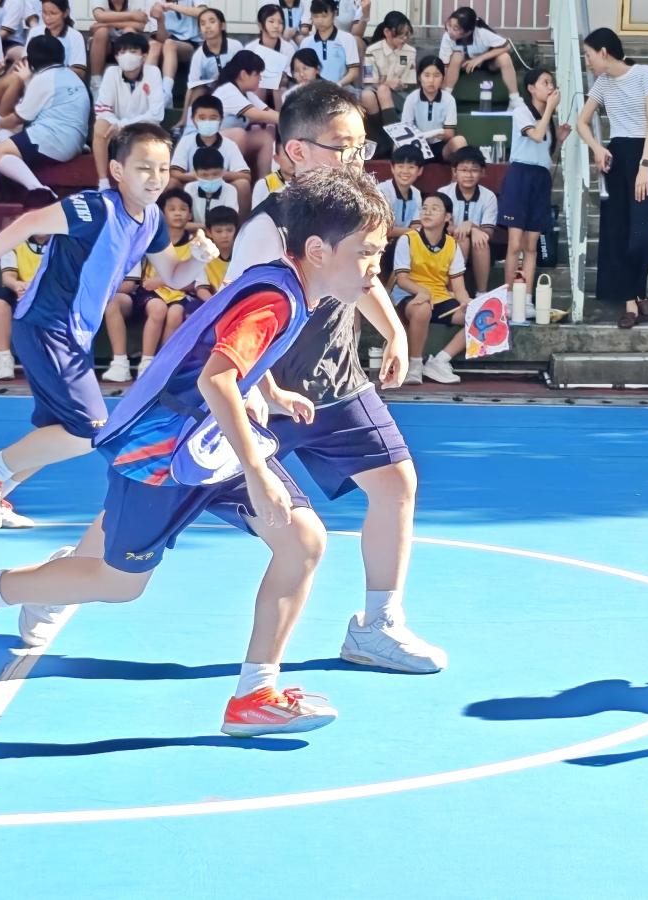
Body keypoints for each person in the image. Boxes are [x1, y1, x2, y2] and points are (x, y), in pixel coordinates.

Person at [0, 166, 391, 739]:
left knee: (302, 542)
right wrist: (258, 471)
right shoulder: (275, 300)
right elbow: (215, 379)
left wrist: (271, 391)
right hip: (162, 454)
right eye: (367, 253)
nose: (375, 267)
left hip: (208, 445)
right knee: (118, 583)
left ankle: (254, 694)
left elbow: (225, 349)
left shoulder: (288, 287)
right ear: (319, 251)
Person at [223, 81, 444, 674]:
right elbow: (234, 318)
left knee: (396, 483)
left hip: (337, 382)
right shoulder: (268, 229)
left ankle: (378, 625)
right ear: (297, 152)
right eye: (342, 148)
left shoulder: (350, 208)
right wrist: (257, 390)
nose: (356, 160)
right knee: (151, 518)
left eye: (360, 147)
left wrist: (394, 332)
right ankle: (68, 577)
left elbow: (362, 274)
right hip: (263, 397)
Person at [0, 122, 213, 528]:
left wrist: (197, 258)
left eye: (162, 169)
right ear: (118, 170)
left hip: (75, 335)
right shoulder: (93, 208)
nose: (155, 178)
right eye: (144, 168)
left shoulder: (152, 219)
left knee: (56, 429)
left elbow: (175, 277)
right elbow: (26, 224)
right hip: (46, 324)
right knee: (90, 430)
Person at [576, 27, 648, 330]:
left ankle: (639, 287)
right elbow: (581, 122)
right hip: (617, 156)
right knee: (619, 232)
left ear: (603, 52)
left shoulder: (644, 74)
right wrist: (597, 147)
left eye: (589, 55)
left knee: (643, 237)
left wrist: (644, 166)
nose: (587, 62)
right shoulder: (602, 83)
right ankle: (629, 301)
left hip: (645, 155)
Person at [102, 186, 195, 382]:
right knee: (157, 308)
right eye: (172, 209)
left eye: (183, 209)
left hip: (179, 295)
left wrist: (165, 280)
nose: (178, 213)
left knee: (175, 313)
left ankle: (159, 365)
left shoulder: (195, 244)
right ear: (162, 214)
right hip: (151, 294)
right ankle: (133, 363)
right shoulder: (150, 238)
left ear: (190, 214)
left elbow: (195, 281)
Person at [0, 33, 89, 207]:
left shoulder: (44, 79)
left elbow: (17, 119)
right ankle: (9, 168)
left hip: (54, 141)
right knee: (7, 137)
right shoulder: (70, 75)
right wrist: (28, 80)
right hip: (74, 141)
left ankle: (38, 189)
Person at [500, 67, 568, 309]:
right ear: (531, 88)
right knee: (515, 243)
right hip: (520, 175)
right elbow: (536, 136)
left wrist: (559, 140)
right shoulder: (522, 111)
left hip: (540, 177)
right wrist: (550, 109)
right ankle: (509, 296)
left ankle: (526, 299)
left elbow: (546, 155)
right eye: (545, 82)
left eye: (552, 83)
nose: (550, 87)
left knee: (531, 245)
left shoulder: (548, 120)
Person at [392, 190, 469, 385]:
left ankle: (440, 361)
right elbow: (402, 279)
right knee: (423, 307)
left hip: (440, 298)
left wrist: (466, 302)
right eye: (424, 208)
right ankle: (415, 365)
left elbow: (459, 288)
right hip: (409, 295)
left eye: (435, 209)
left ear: (447, 217)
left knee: (479, 317)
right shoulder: (408, 239)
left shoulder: (452, 245)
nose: (427, 212)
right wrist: (422, 291)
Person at [92, 31, 165, 192]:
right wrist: (117, 124)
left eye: (133, 51)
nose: (127, 56)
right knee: (100, 126)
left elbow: (156, 114)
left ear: (144, 56)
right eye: (122, 52)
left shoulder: (153, 73)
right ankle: (103, 183)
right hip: (116, 126)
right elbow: (102, 108)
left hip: (145, 128)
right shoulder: (111, 73)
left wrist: (123, 125)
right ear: (116, 57)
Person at [168, 93, 250, 206]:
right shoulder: (186, 141)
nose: (207, 122)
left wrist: (222, 175)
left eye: (213, 118)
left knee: (243, 184)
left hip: (221, 188)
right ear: (193, 120)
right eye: (202, 118)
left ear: (221, 119)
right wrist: (195, 176)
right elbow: (174, 172)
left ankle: (239, 218)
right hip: (192, 187)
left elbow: (245, 175)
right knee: (172, 183)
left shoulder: (229, 145)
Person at [0, 229, 47, 379]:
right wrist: (18, 286)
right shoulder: (14, 242)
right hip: (20, 288)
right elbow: (8, 277)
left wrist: (35, 289)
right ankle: (4, 358)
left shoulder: (63, 244)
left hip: (48, 290)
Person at [210, 49, 277, 177]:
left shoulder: (247, 93)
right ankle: (230, 177)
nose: (260, 78)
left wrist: (292, 118)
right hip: (209, 145)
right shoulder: (228, 90)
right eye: (257, 74)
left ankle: (264, 184)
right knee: (239, 134)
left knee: (265, 137)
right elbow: (259, 115)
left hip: (230, 144)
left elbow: (269, 112)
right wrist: (291, 119)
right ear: (244, 74)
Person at [439, 146, 494, 295]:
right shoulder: (444, 192)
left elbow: (489, 232)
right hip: (447, 243)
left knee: (481, 240)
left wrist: (472, 227)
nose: (469, 175)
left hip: (478, 248)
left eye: (474, 170)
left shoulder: (488, 196)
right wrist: (457, 229)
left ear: (482, 172)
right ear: (454, 172)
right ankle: (452, 292)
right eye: (463, 170)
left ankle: (481, 292)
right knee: (462, 240)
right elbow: (440, 227)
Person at [400, 55, 464, 162]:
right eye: (427, 75)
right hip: (417, 146)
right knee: (397, 147)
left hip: (440, 146)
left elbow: (450, 134)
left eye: (437, 75)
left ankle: (456, 173)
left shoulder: (448, 99)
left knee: (459, 141)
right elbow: (406, 130)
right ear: (419, 77)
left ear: (443, 78)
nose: (431, 80)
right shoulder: (412, 98)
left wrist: (440, 135)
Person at [438, 5, 513, 96]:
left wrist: (480, 58)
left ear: (468, 32)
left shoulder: (482, 33)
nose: (450, 30)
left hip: (487, 63)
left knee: (505, 57)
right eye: (449, 25)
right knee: (456, 56)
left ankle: (515, 98)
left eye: (455, 28)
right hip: (465, 65)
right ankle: (446, 95)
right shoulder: (447, 36)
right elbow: (444, 64)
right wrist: (441, 85)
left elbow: (507, 46)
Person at [86, 0, 152, 92]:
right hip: (106, 44)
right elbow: (99, 16)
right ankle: (96, 84)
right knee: (101, 32)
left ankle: (131, 79)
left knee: (129, 30)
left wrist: (106, 22)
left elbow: (140, 25)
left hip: (125, 42)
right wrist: (131, 15)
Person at [359, 11, 411, 119]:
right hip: (376, 93)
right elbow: (368, 80)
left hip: (399, 96)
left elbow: (405, 79)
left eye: (406, 34)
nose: (404, 38)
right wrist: (386, 83)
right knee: (374, 93)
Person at [182, 5, 235, 108]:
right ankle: (192, 118)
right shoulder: (199, 55)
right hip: (211, 93)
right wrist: (184, 115)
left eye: (212, 21)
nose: (207, 26)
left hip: (234, 91)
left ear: (222, 26)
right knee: (198, 89)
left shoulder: (235, 46)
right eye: (203, 24)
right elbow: (192, 86)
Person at [299, 0, 356, 88]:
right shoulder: (306, 43)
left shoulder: (347, 39)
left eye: (324, 16)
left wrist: (338, 85)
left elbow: (354, 72)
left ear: (334, 14)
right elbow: (301, 71)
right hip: (313, 90)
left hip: (341, 89)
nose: (320, 20)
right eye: (316, 16)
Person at [148, 0, 198, 100]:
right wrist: (160, 20)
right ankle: (145, 89)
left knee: (170, 44)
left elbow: (203, 11)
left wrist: (172, 6)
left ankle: (166, 92)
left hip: (189, 43)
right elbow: (162, 39)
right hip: (166, 42)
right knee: (154, 45)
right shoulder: (156, 4)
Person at [26, 0, 86, 80]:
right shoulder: (35, 32)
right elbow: (24, 62)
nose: (47, 18)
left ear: (66, 13)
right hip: (35, 79)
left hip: (62, 81)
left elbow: (80, 71)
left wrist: (50, 74)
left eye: (53, 13)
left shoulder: (75, 36)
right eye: (44, 12)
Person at [247, 3, 293, 105]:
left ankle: (279, 115)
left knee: (280, 89)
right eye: (271, 21)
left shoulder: (288, 48)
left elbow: (290, 76)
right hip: (256, 88)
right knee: (257, 87)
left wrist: (282, 79)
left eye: (280, 22)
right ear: (260, 25)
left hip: (279, 89)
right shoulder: (250, 48)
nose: (276, 26)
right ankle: (258, 114)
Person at [191, 202, 235, 308]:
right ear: (209, 232)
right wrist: (216, 305)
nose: (224, 235)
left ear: (236, 230)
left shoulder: (243, 255)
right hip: (213, 303)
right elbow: (201, 289)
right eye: (219, 231)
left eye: (229, 230)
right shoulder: (204, 255)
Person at [377, 142, 420, 243]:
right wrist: (415, 232)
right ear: (392, 168)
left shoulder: (416, 193)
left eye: (411, 167)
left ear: (420, 171)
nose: (405, 171)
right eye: (400, 166)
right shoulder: (382, 190)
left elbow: (416, 224)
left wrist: (416, 232)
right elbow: (382, 229)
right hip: (381, 243)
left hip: (404, 241)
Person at [184, 145, 236, 223]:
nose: (210, 179)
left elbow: (230, 221)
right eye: (204, 175)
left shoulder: (230, 190)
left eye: (215, 174)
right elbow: (184, 222)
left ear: (223, 171)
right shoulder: (189, 188)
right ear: (195, 173)